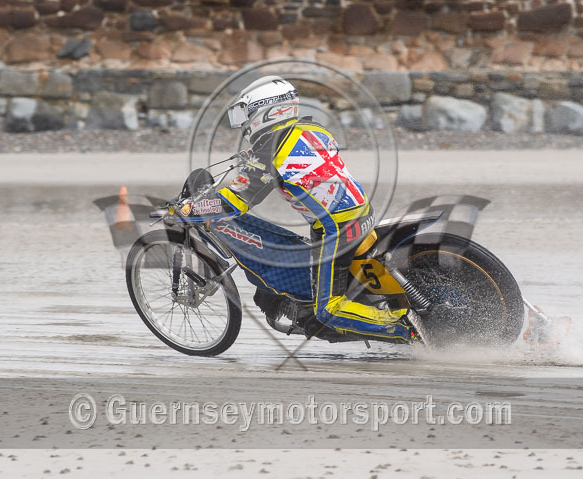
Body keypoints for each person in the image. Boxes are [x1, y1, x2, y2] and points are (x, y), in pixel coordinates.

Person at [175, 76, 414, 342]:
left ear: (266, 111)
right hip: (361, 213)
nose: (244, 123)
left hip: (337, 228)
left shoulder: (270, 150)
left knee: (327, 311)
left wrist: (194, 208)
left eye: (246, 113)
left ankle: (404, 329)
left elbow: (237, 201)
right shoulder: (311, 129)